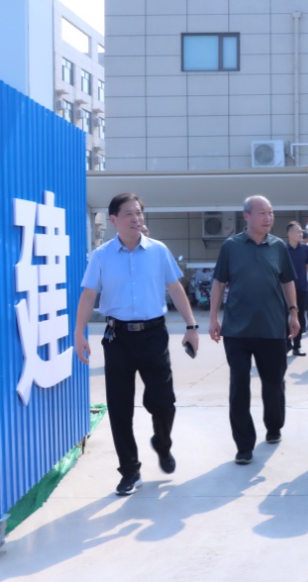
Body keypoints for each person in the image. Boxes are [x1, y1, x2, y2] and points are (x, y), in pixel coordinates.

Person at [74, 193, 200, 496]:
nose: (136, 219)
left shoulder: (158, 251)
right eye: (128, 214)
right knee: (119, 408)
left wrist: (192, 326)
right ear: (113, 220)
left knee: (163, 403)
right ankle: (129, 470)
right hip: (117, 337)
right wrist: (79, 332)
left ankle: (162, 443)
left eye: (139, 213)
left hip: (154, 335)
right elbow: (89, 294)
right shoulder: (101, 256)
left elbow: (175, 289)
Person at [209, 195, 300, 465]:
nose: (268, 217)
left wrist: (293, 313)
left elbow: (287, 281)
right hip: (237, 330)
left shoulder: (278, 247)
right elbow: (218, 283)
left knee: (273, 383)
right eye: (262, 213)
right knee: (239, 387)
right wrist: (213, 318)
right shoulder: (231, 246)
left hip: (272, 328)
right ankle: (244, 446)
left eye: (271, 212)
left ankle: (274, 426)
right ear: (247, 216)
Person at [285, 221, 308, 356]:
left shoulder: (306, 249)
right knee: (284, 316)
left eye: (301, 231)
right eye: (297, 231)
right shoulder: (283, 249)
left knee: (300, 317)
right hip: (284, 289)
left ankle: (297, 346)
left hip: (301, 288)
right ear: (289, 234)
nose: (301, 234)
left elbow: (307, 267)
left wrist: (300, 280)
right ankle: (286, 344)